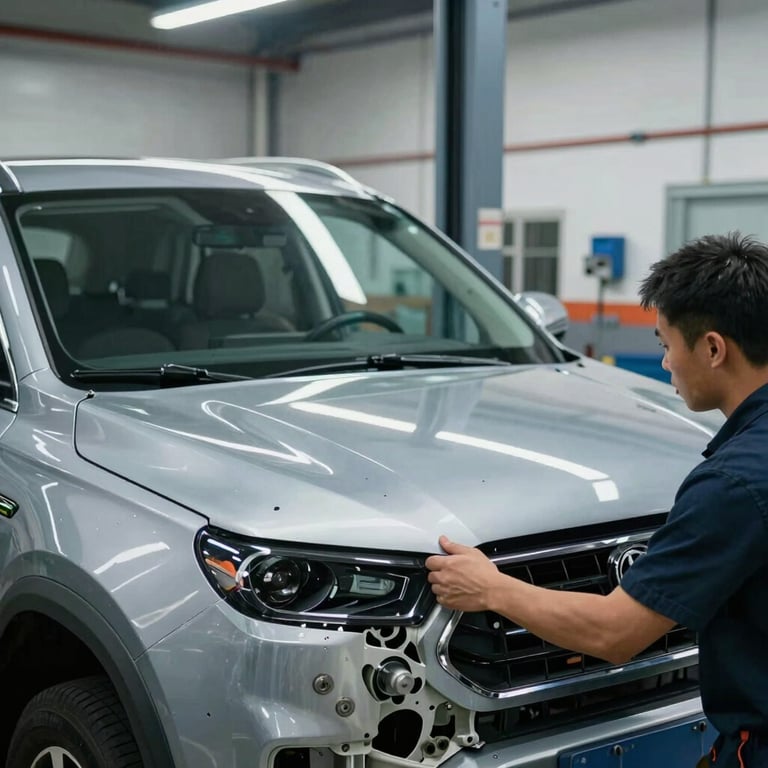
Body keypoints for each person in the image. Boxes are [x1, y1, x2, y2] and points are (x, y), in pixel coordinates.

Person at [426, 232, 768, 768]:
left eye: (664, 344)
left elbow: (614, 633)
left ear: (713, 348)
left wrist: (491, 588)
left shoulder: (733, 484)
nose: (664, 366)